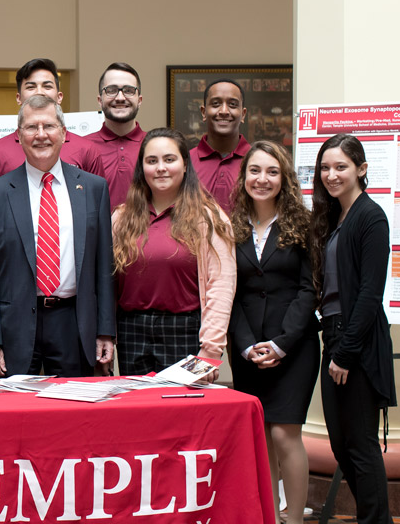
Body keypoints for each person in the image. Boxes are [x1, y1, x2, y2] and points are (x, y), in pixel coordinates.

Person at [0, 94, 115, 377]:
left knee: (74, 413)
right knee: (16, 417)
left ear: (63, 134)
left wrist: (105, 331)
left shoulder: (94, 188)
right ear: (18, 136)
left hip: (75, 322)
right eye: (31, 128)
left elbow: (104, 268)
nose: (40, 135)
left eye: (48, 126)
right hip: (15, 325)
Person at [229, 141, 319, 524]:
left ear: (284, 178)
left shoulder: (304, 222)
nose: (262, 179)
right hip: (247, 347)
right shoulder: (228, 224)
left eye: (271, 172)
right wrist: (248, 345)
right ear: (244, 176)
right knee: (258, 438)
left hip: (293, 346)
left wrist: (281, 344)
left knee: (284, 435)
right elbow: (226, 290)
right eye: (254, 171)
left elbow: (309, 289)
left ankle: (294, 518)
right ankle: (266, 515)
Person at [309, 134, 395, 524]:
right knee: (343, 446)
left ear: (361, 169)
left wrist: (345, 351)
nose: (331, 174)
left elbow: (369, 293)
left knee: (360, 445)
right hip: (334, 334)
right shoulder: (335, 216)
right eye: (325, 167)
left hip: (354, 340)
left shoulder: (370, 216)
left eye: (340, 166)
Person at [111, 127, 235, 381]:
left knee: (183, 412)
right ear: (141, 168)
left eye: (169, 159)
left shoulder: (209, 218)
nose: (160, 168)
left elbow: (221, 285)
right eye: (152, 161)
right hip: (131, 331)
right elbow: (107, 283)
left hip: (185, 330)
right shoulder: (121, 218)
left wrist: (210, 352)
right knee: (137, 412)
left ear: (185, 165)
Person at [0, 58, 103, 184]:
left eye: (47, 86)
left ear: (59, 97)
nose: (39, 92)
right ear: (18, 98)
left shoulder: (86, 150)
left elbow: (95, 197)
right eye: (31, 87)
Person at [82, 62, 146, 210]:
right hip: (96, 233)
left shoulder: (154, 146)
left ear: (140, 100)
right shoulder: (83, 148)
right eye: (111, 90)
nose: (120, 97)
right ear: (100, 100)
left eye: (129, 90)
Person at [190, 79, 251, 213]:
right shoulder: (185, 161)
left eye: (233, 105)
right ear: (203, 112)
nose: (224, 111)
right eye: (216, 104)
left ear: (243, 114)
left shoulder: (256, 161)